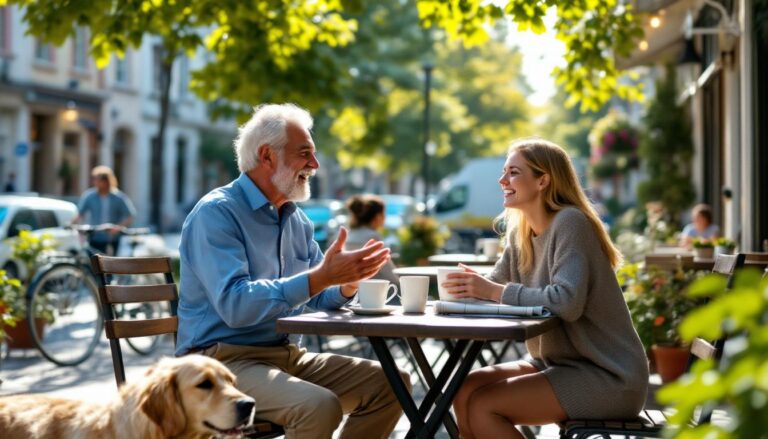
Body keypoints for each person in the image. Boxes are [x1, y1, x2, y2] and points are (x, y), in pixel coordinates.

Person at [176, 103, 410, 439]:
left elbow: (317, 296)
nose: (314, 165)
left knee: (392, 383)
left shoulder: (296, 220)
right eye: (304, 154)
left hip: (285, 356)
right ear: (267, 156)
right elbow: (235, 306)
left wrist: (346, 283)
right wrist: (320, 277)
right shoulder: (217, 213)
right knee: (318, 406)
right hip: (217, 365)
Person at [442, 138, 648, 438]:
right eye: (504, 171)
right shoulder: (521, 232)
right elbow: (495, 284)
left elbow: (566, 302)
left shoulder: (571, 223)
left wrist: (490, 291)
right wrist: (468, 286)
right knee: (463, 390)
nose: (502, 180)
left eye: (513, 172)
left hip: (608, 376)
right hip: (557, 364)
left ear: (543, 181)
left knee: (484, 406)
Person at [74, 165, 136, 254]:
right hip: (95, 237)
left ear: (107, 181)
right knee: (93, 260)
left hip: (112, 239)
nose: (95, 182)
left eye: (98, 180)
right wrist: (71, 225)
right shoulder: (89, 196)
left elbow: (130, 216)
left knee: (111, 261)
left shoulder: (118, 197)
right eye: (95, 179)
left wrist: (118, 228)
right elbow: (80, 213)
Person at [345, 194, 399, 286]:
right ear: (378, 216)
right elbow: (389, 273)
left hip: (351, 289)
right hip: (375, 289)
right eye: (384, 213)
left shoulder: (348, 234)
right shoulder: (373, 236)